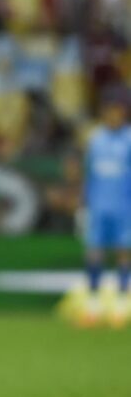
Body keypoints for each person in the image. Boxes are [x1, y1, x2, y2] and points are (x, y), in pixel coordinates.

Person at [76, 90, 131, 328]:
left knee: (124, 251)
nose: (114, 115)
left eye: (118, 111)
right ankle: (93, 301)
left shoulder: (129, 139)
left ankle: (121, 300)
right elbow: (88, 174)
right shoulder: (96, 139)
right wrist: (84, 200)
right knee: (94, 250)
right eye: (110, 111)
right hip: (99, 206)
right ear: (104, 113)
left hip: (125, 207)